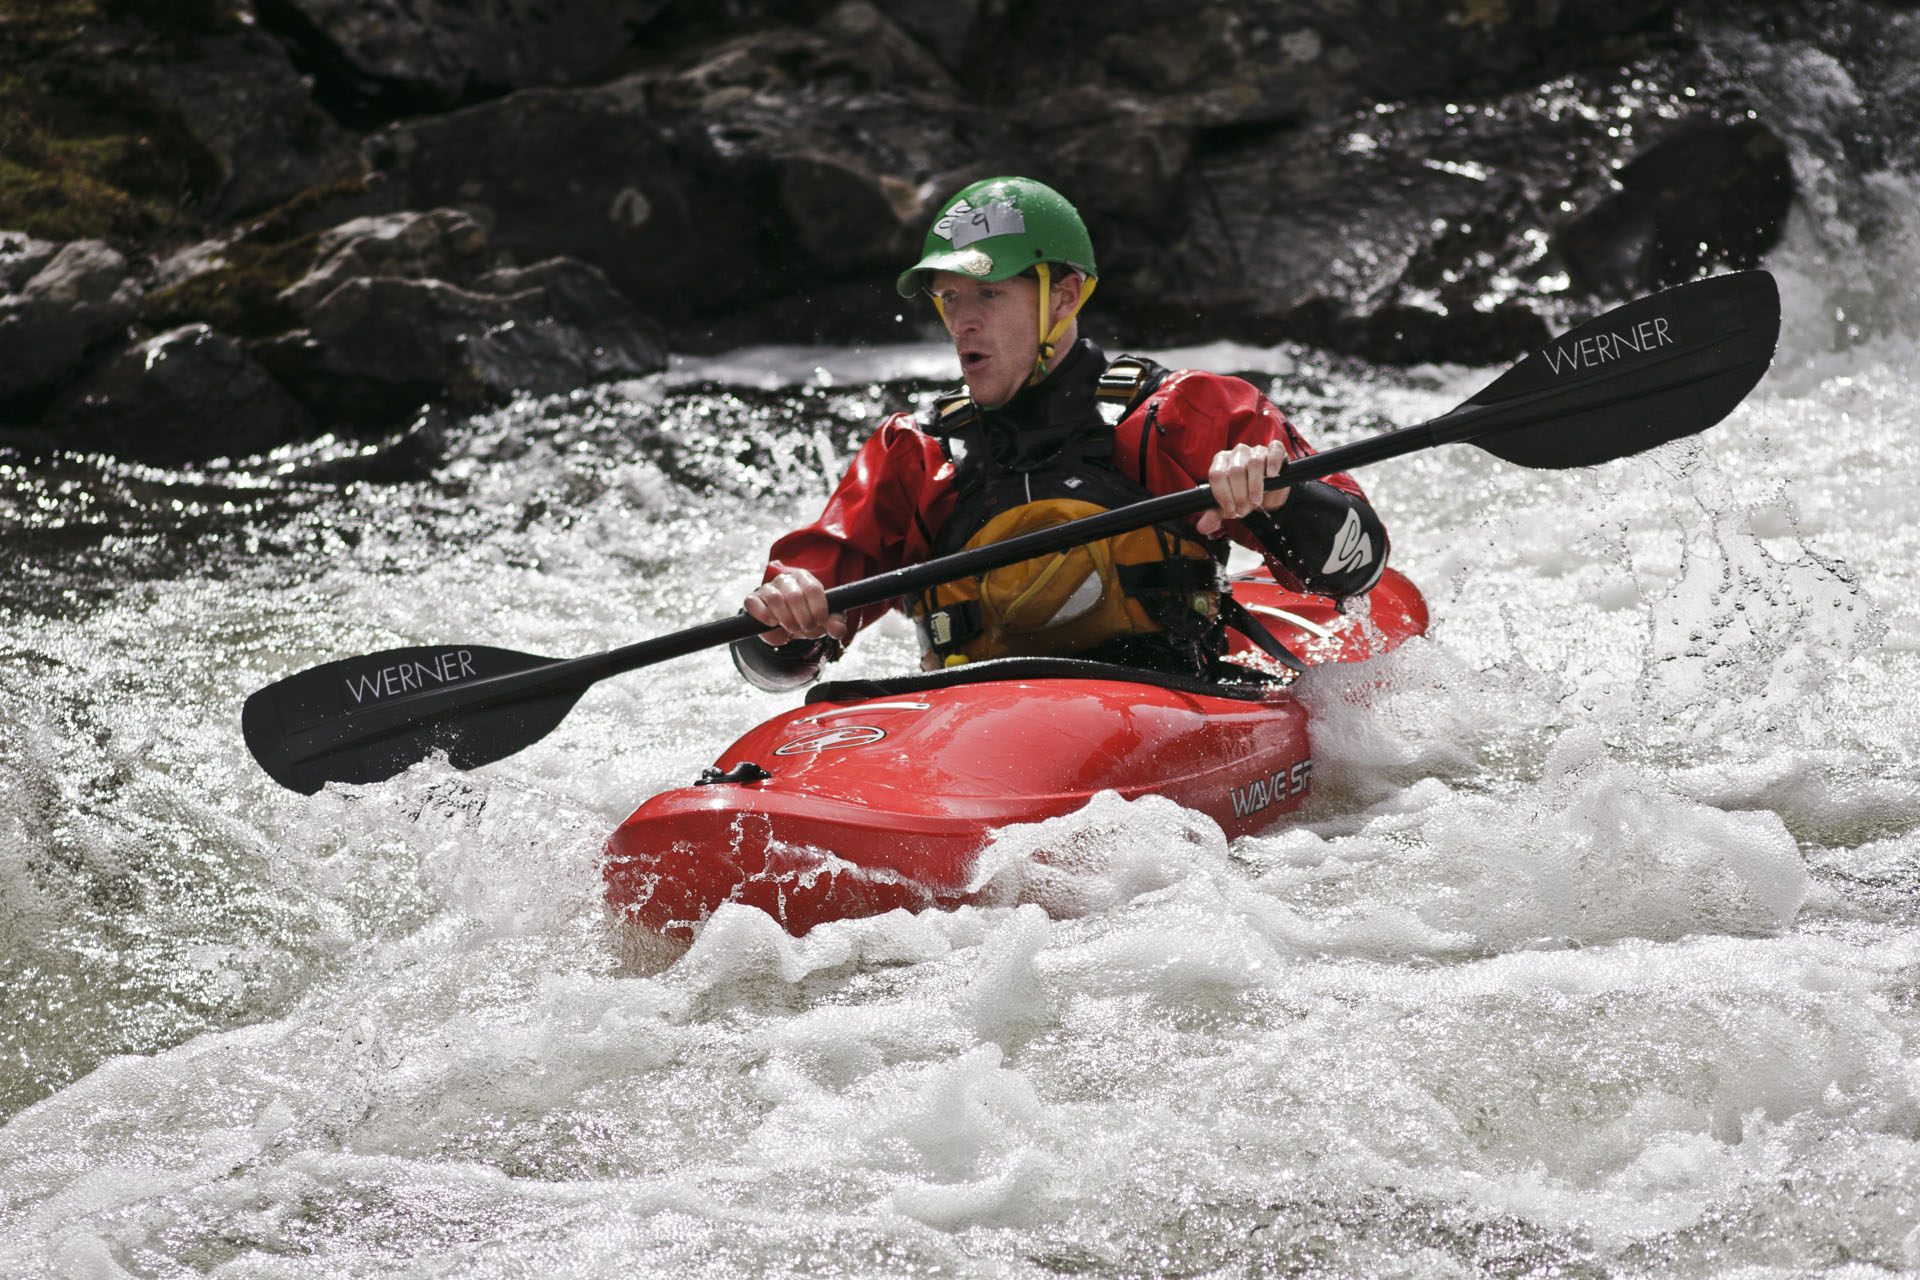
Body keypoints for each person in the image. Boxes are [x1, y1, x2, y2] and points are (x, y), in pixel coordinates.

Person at [734, 175, 1388, 691]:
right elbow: (775, 668)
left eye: (988, 294)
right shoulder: (913, 453)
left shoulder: (1182, 412)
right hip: (972, 723)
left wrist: (1282, 498)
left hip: (1168, 699)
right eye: (948, 297)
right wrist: (783, 623)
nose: (961, 322)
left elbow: (1357, 570)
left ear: (1065, 296)